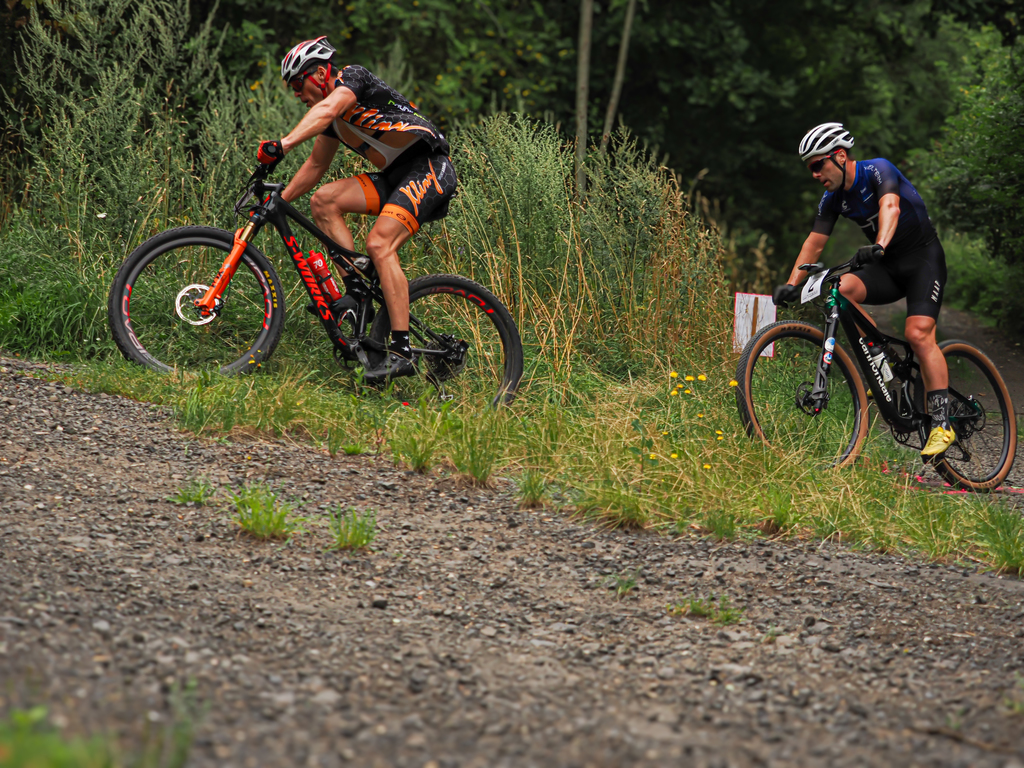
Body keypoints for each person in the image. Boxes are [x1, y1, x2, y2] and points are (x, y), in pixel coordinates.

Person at [256, 36, 457, 383]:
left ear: (321, 74)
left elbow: (328, 109)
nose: (297, 94)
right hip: (394, 178)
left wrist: (284, 144)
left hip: (429, 167)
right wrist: (278, 201)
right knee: (323, 201)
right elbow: (316, 166)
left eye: (298, 84)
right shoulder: (331, 120)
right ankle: (357, 291)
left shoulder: (354, 78)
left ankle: (402, 351)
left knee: (379, 244)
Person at [773, 122, 954, 459]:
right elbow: (814, 242)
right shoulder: (832, 199)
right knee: (840, 290)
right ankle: (879, 360)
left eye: (818, 164)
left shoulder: (877, 170)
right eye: (810, 168)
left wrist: (880, 244)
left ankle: (942, 424)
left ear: (840, 156)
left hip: (922, 261)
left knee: (917, 334)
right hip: (887, 266)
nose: (815, 174)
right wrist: (792, 284)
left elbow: (891, 207)